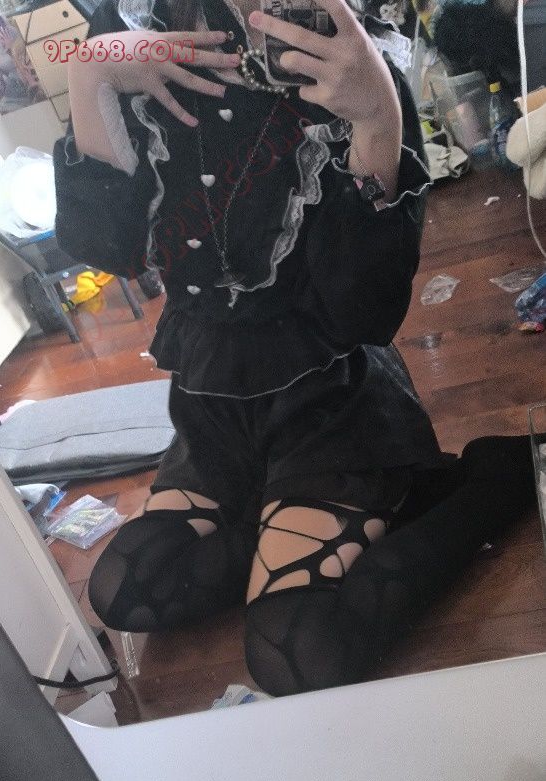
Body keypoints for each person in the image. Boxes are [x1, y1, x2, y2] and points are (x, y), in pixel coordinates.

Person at [54, 0, 537, 696]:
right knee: (128, 591)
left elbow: (364, 313)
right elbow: (112, 249)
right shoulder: (132, 22)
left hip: (331, 402)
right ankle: (300, 520)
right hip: (210, 407)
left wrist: (376, 119)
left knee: (297, 648)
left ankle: (494, 480)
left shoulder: (342, 40)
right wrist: (89, 77)